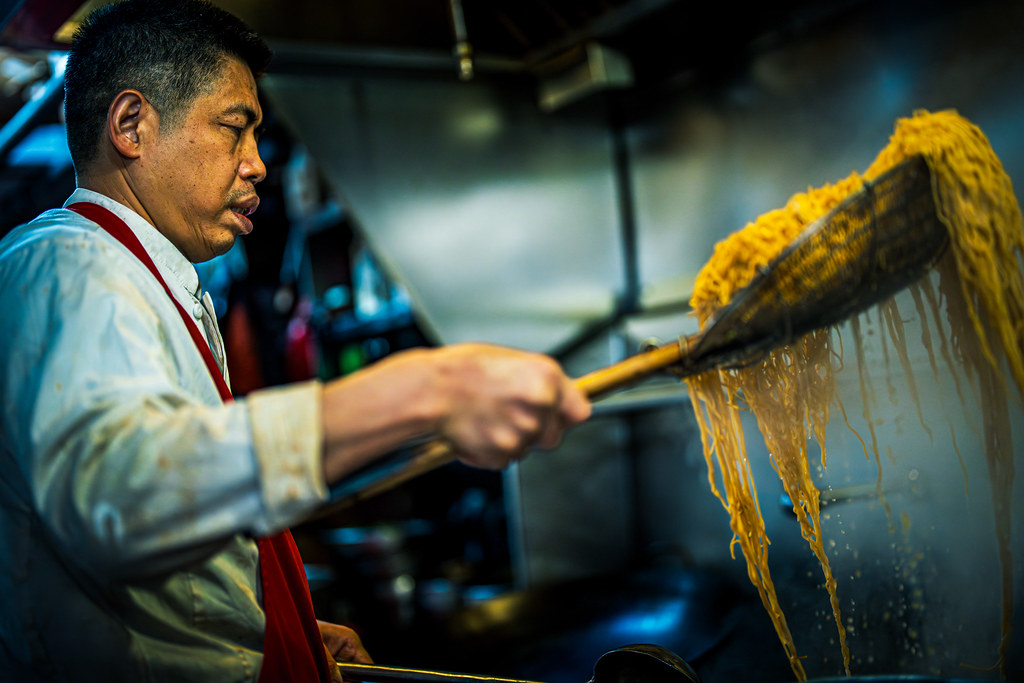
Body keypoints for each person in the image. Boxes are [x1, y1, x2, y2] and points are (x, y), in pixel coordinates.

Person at [0, 1, 591, 681]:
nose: (257, 165)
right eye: (234, 129)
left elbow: (158, 552)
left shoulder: (150, 284)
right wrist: (428, 387)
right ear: (132, 125)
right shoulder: (71, 264)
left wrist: (266, 632)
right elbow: (119, 493)